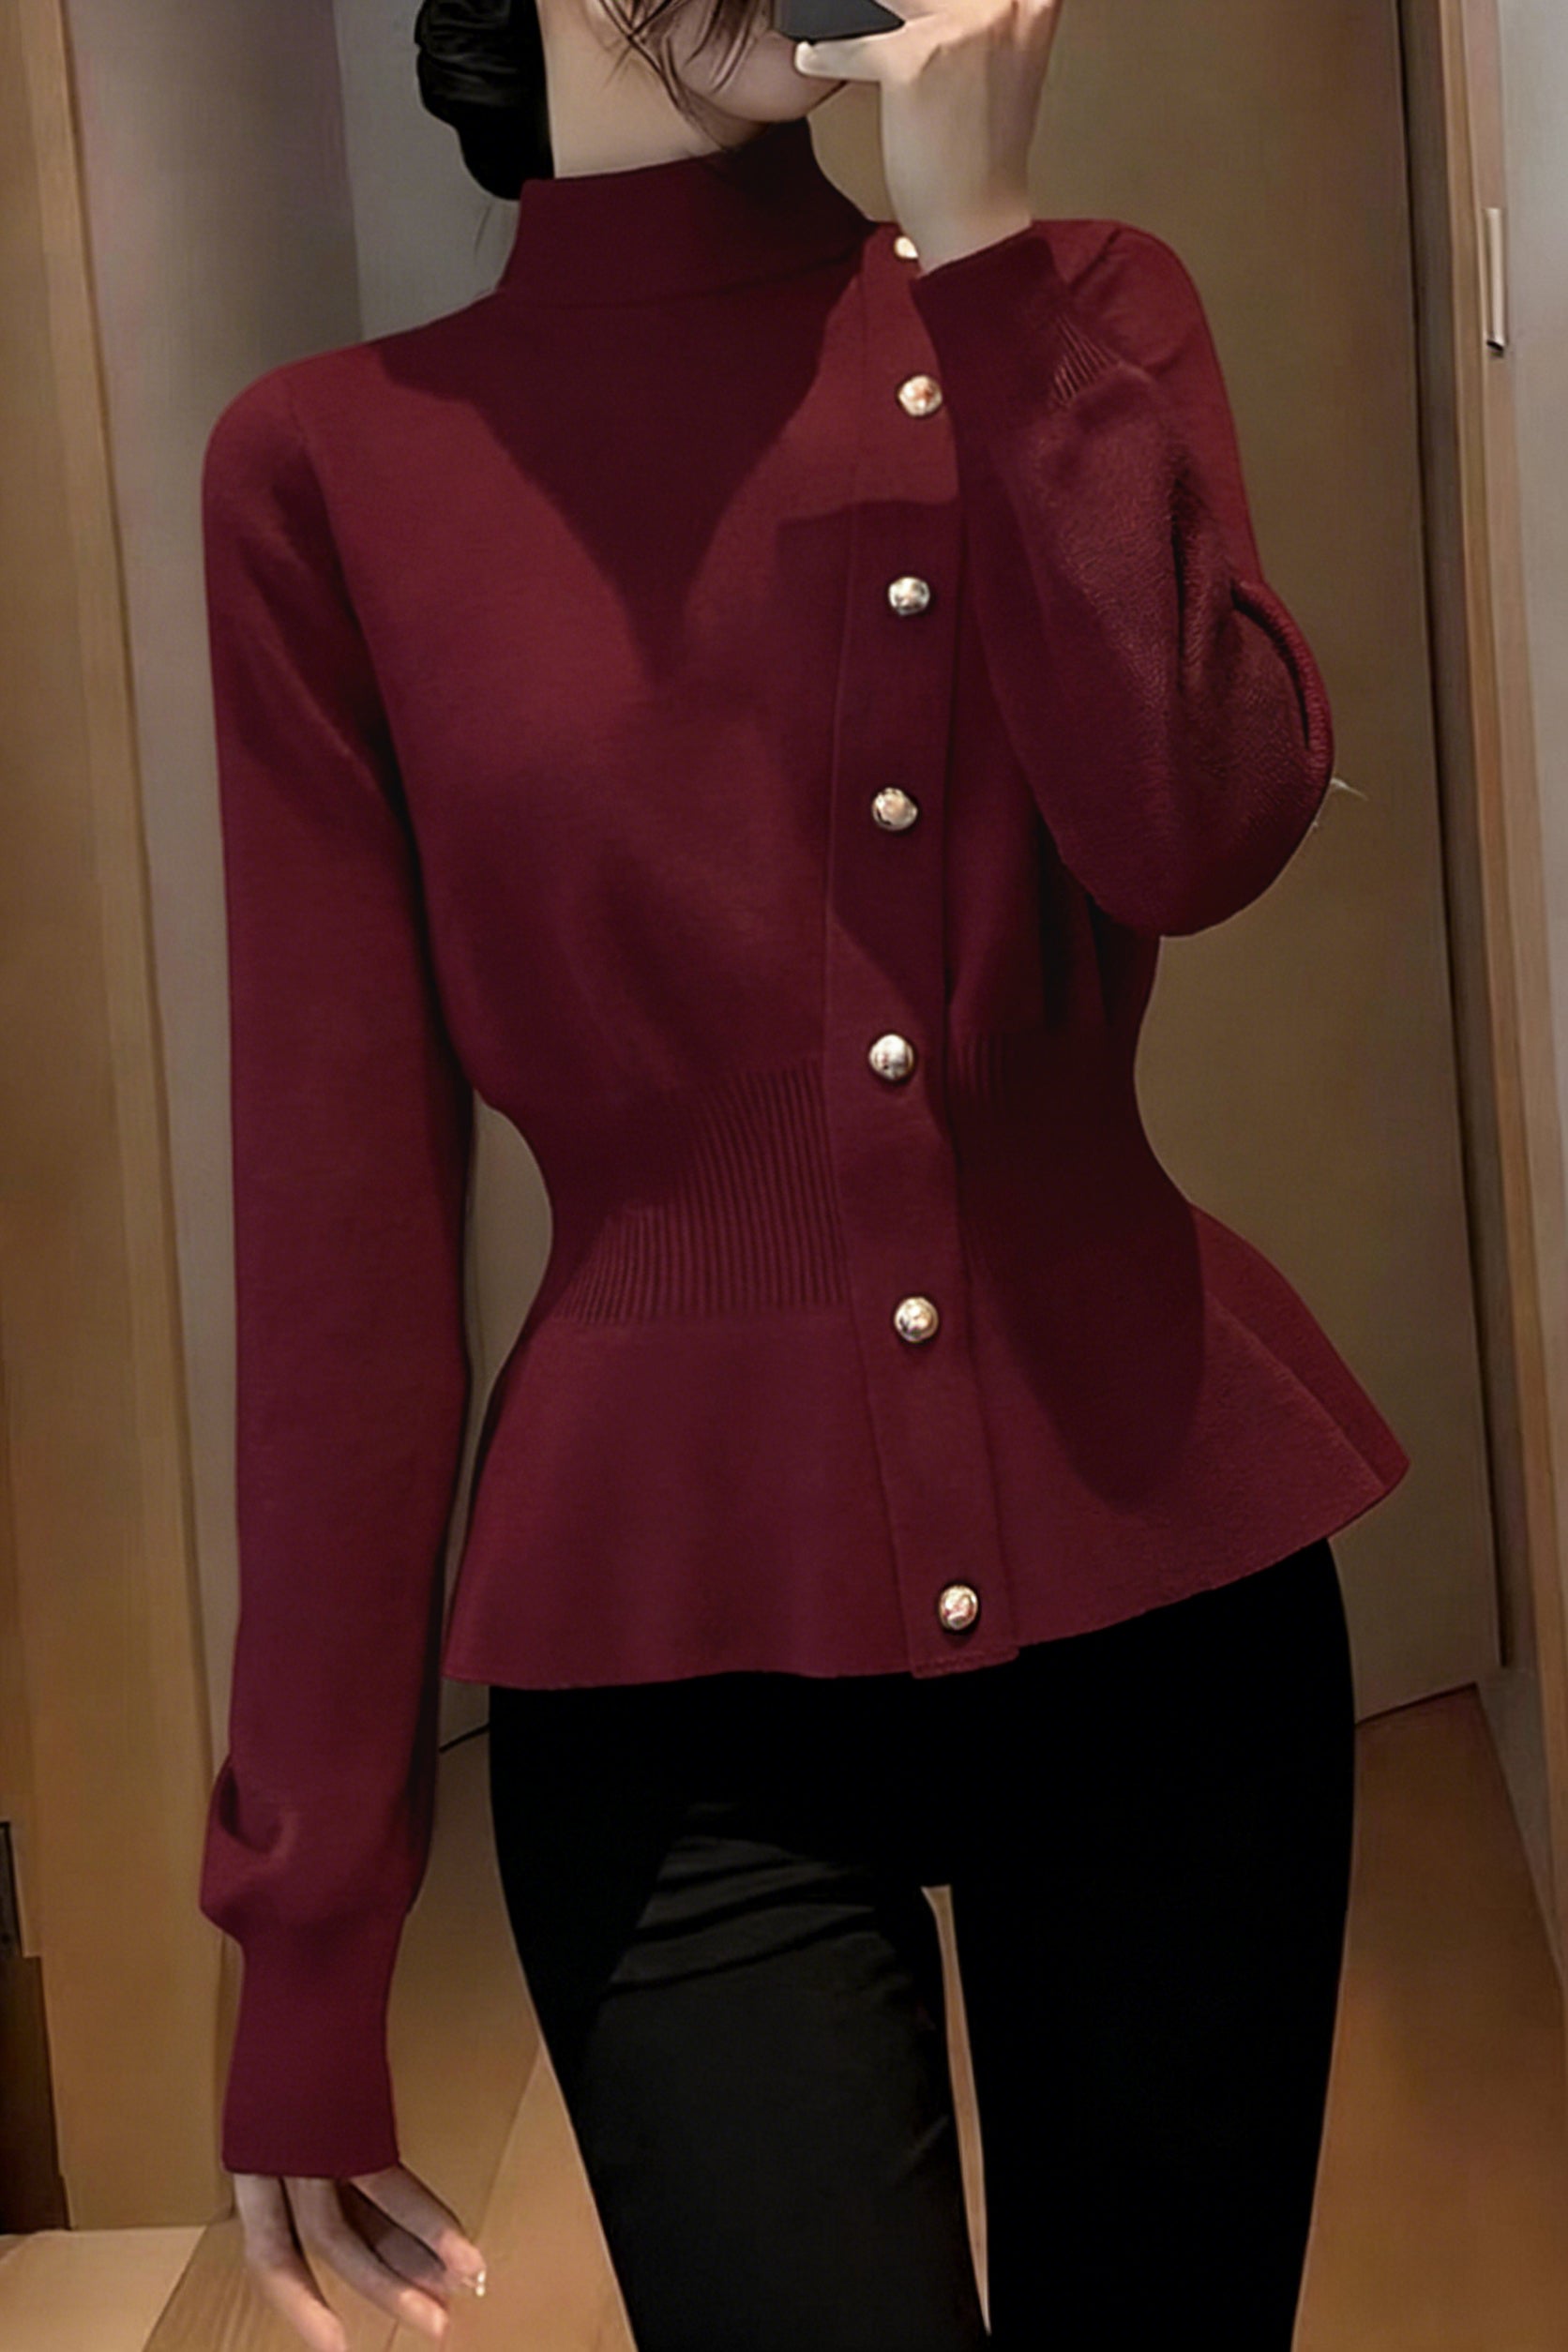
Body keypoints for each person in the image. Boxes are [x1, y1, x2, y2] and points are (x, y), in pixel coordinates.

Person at [196, 0, 1411, 2344]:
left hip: (1161, 1600)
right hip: (667, 1679)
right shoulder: (328, 467)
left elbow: (1195, 830)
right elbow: (336, 1247)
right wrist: (309, 1917)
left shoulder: (1078, 303)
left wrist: (982, 253)